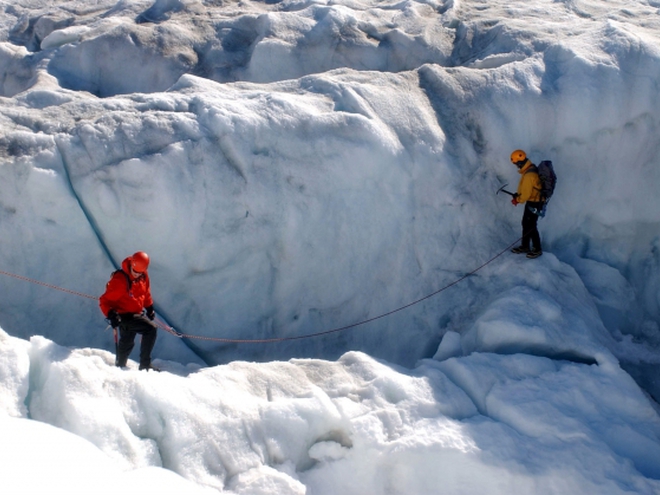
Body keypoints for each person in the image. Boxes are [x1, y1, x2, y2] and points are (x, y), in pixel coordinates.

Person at [99, 251, 159, 370]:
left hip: (135, 313)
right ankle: (145, 365)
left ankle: (120, 366)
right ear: (131, 264)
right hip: (123, 315)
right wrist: (111, 314)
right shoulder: (120, 280)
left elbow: (146, 293)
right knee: (150, 329)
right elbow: (104, 301)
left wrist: (149, 307)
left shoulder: (143, 275)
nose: (136, 274)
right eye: (135, 271)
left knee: (127, 342)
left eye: (139, 272)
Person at [509, 149, 543, 259]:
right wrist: (518, 195)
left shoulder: (529, 175)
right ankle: (525, 246)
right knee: (526, 223)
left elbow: (526, 195)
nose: (515, 166)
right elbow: (527, 190)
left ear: (519, 162)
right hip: (534, 201)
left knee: (531, 225)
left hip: (535, 202)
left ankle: (537, 249)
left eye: (515, 164)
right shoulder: (529, 169)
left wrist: (517, 200)